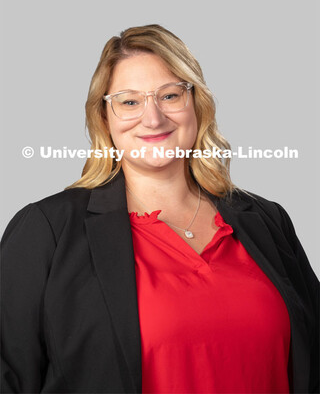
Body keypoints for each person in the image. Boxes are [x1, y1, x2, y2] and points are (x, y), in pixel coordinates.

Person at [1, 24, 318, 394]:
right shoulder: (47, 232)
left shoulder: (267, 221)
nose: (153, 119)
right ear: (104, 118)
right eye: (129, 101)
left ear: (197, 104)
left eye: (169, 96)